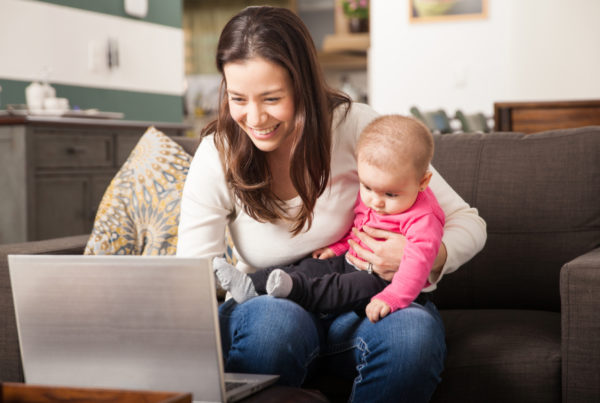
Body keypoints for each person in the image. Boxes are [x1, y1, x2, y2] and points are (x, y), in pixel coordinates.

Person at [177, 6, 486, 403]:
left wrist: (426, 254)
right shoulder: (217, 152)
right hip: (272, 306)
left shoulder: (355, 126)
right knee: (276, 323)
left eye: (272, 98)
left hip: (359, 308)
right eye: (238, 98)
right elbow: (194, 278)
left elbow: (467, 221)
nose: (254, 117)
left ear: (302, 85)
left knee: (412, 332)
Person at [212, 115, 445, 324]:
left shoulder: (424, 218)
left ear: (423, 182)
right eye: (367, 187)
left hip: (386, 282)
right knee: (308, 266)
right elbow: (360, 228)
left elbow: (418, 264)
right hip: (351, 258)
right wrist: (339, 247)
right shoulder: (378, 191)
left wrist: (393, 297)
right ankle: (250, 284)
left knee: (341, 288)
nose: (376, 201)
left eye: (390, 194)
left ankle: (295, 291)